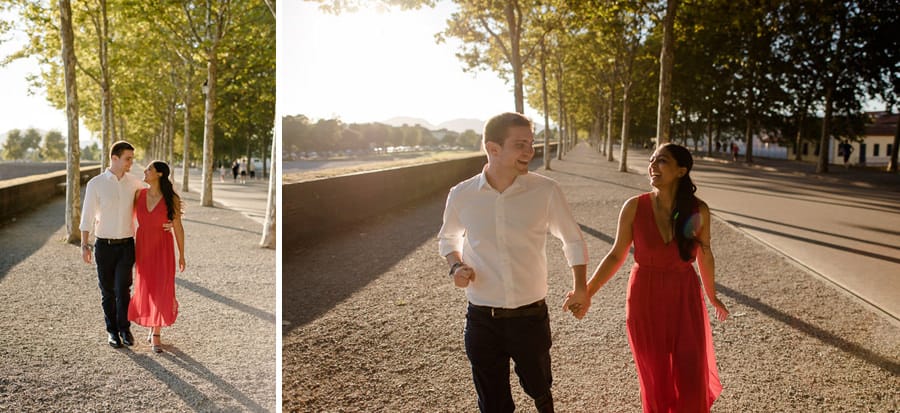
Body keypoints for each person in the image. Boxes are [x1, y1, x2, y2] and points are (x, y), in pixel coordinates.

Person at [438, 112, 589, 413]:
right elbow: (448, 239)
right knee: (492, 403)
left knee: (540, 389)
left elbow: (572, 239)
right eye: (520, 144)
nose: (530, 151)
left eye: (531, 143)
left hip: (530, 316)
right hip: (481, 318)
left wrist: (581, 288)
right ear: (493, 149)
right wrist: (456, 266)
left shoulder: (545, 190)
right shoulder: (462, 194)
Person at [564, 143, 729, 412]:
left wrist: (712, 296)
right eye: (651, 160)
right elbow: (616, 255)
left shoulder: (698, 210)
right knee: (655, 375)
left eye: (661, 161)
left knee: (690, 371)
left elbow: (705, 254)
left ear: (681, 170)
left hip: (684, 295)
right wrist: (587, 291)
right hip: (645, 297)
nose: (652, 166)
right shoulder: (633, 207)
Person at [80, 141, 146, 348]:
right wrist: (84, 244)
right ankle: (112, 332)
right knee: (107, 291)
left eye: (132, 159)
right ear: (114, 158)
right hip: (104, 246)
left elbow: (152, 201)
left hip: (127, 245)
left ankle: (125, 329)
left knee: (123, 289)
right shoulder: (96, 184)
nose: (131, 163)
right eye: (128, 159)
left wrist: (169, 218)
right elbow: (87, 215)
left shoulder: (135, 183)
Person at [128, 161, 185, 353]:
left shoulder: (171, 199)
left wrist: (182, 254)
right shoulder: (139, 195)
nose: (145, 172)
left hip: (163, 247)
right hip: (143, 247)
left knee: (161, 288)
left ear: (159, 174)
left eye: (149, 169)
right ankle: (153, 325)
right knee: (148, 288)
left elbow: (177, 226)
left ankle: (156, 332)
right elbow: (124, 214)